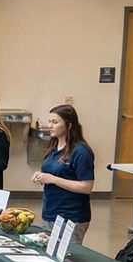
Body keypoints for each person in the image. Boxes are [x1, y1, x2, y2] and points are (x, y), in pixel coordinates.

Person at [33, 103, 96, 244]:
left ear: (69, 125)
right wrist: (41, 177)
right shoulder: (53, 147)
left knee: (66, 258)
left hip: (71, 216)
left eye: (55, 122)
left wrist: (53, 179)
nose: (50, 126)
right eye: (49, 121)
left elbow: (86, 187)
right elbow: (52, 173)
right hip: (50, 212)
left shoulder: (81, 151)